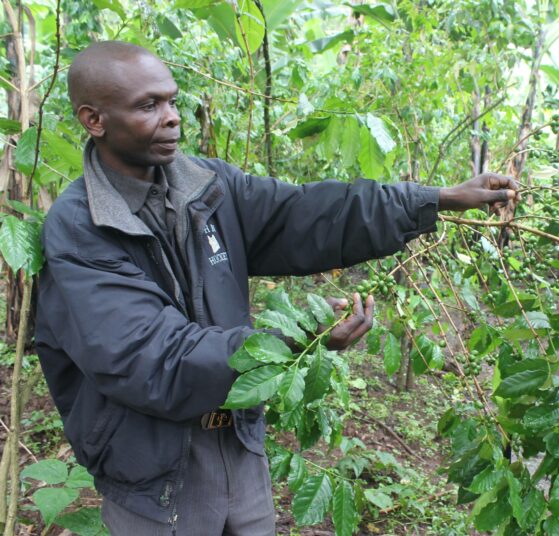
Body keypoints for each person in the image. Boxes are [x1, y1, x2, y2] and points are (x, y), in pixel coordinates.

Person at [34, 41, 517, 535]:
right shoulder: (80, 227)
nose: (173, 117)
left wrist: (435, 200)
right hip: (153, 477)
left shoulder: (208, 185)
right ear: (94, 120)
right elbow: (150, 357)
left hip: (239, 447)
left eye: (173, 100)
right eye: (148, 106)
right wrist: (293, 339)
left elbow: (309, 214)